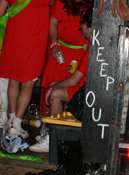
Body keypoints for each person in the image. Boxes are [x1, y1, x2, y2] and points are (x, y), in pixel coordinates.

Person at [0, 0, 54, 141]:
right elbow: (54, 3)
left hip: (14, 39)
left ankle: (12, 120)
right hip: (35, 41)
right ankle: (17, 125)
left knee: (13, 80)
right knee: (29, 82)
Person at [31, 10, 93, 153]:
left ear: (89, 27)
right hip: (85, 89)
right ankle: (53, 135)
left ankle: (53, 140)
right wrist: (54, 86)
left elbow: (74, 80)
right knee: (54, 85)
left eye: (82, 25)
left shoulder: (92, 48)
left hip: (89, 95)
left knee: (56, 93)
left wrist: (53, 90)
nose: (80, 29)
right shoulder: (92, 44)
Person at [39, 0, 94, 115]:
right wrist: (54, 44)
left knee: (71, 91)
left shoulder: (94, 3)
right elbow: (52, 23)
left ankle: (63, 130)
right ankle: (50, 127)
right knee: (53, 87)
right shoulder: (61, 0)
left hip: (82, 53)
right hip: (62, 52)